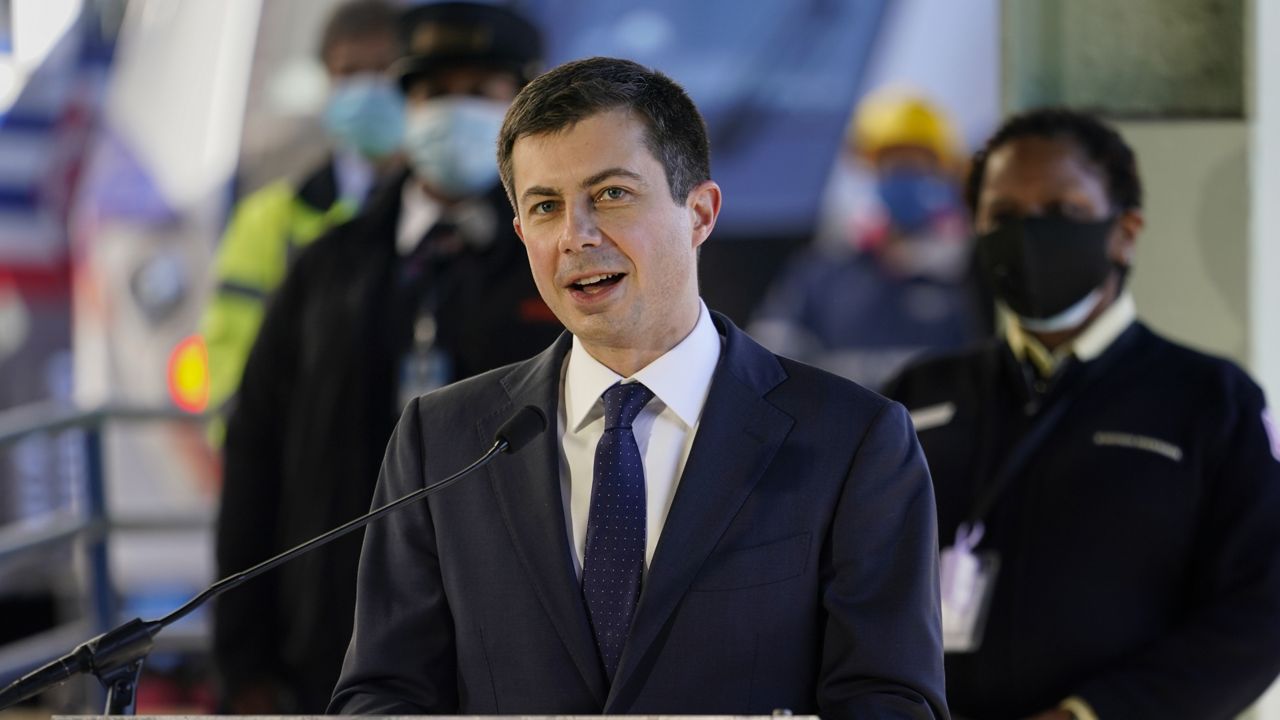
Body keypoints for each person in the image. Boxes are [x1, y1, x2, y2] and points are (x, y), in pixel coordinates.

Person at [330, 56, 947, 718]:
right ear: (521, 234)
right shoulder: (445, 441)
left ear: (701, 213)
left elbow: (890, 700)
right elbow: (383, 695)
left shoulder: (853, 442)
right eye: (545, 206)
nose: (577, 236)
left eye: (611, 195)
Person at [212, 3, 562, 714]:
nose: (453, 110)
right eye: (435, 91)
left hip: (515, 649)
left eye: (480, 90)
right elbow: (256, 454)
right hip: (329, 644)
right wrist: (243, 660)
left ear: (522, 105)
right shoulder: (328, 268)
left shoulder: (559, 270)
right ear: (407, 104)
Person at [885, 108, 1280, 720]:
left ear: (1124, 230)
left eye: (1062, 213)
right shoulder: (916, 394)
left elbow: (1263, 607)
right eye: (1004, 217)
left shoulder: (1211, 399)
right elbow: (848, 582)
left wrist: (1090, 715)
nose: (1030, 235)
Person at [201, 0, 404, 445]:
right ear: (327, 82)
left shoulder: (446, 213)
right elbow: (228, 369)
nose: (369, 89)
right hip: (306, 479)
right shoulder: (267, 220)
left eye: (384, 70)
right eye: (350, 73)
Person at [750, 89, 987, 390]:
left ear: (942, 171)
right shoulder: (825, 267)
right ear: (869, 170)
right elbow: (768, 360)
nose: (903, 175)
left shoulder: (966, 269)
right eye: (891, 163)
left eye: (916, 163)